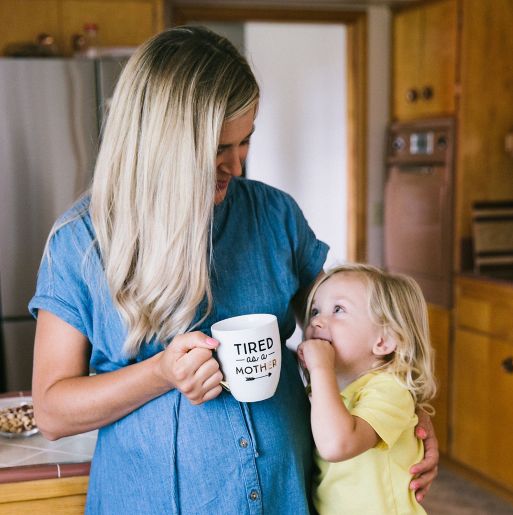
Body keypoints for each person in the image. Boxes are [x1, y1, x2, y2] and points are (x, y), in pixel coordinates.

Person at [29, 26, 438, 514]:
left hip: (284, 497)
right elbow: (52, 410)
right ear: (162, 144)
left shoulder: (274, 216)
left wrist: (404, 411)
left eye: (244, 142)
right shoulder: (81, 241)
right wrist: (162, 373)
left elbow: (354, 328)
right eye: (218, 149)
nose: (237, 166)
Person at [297, 264, 438, 514]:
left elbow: (336, 445)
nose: (317, 320)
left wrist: (320, 369)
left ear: (383, 341)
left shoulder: (391, 390)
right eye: (316, 310)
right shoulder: (327, 387)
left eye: (338, 309)